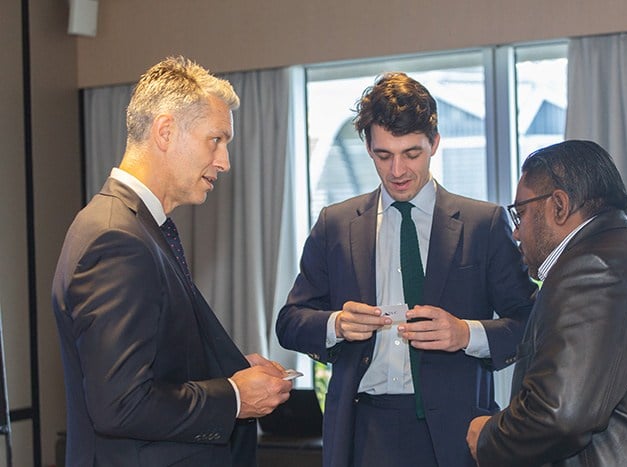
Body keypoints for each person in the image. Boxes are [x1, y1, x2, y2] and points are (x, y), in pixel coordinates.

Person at [276, 72, 536, 467]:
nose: (397, 170)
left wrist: (466, 333)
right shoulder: (335, 224)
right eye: (384, 155)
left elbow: (531, 322)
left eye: (411, 153)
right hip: (361, 431)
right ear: (368, 147)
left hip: (457, 432)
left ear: (434, 143)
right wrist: (337, 325)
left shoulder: (483, 224)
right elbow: (290, 321)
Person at [52, 56, 293, 467]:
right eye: (215, 140)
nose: (224, 161)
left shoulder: (139, 227)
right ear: (165, 131)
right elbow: (122, 404)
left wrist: (229, 370)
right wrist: (235, 397)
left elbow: (158, 363)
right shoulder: (116, 237)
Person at [467, 140, 627, 466]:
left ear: (559, 206)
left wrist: (490, 436)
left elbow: (560, 414)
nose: (517, 233)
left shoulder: (591, 268)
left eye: (521, 214)